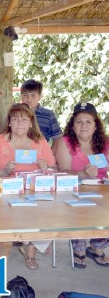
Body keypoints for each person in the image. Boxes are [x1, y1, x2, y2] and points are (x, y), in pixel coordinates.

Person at [0, 103, 56, 270]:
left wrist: (45, 166)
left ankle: (30, 243)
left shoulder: (40, 142)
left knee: (51, 211)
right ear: (9, 122)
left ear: (31, 123)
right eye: (15, 119)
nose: (19, 122)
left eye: (24, 119)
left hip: (34, 191)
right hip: (5, 192)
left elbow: (54, 168)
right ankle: (22, 244)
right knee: (13, 215)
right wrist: (3, 171)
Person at [55, 102, 109, 268]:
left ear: (95, 126)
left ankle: (97, 245)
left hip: (102, 188)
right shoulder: (65, 142)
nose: (83, 125)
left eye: (88, 122)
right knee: (81, 206)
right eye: (79, 121)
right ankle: (79, 245)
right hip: (74, 187)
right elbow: (63, 171)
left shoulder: (105, 142)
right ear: (73, 125)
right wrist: (82, 174)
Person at [20, 79, 63, 153]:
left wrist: (50, 155)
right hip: (17, 156)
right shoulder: (14, 114)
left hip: (40, 157)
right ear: (21, 95)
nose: (29, 99)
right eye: (25, 95)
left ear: (40, 96)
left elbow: (58, 138)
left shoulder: (48, 115)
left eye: (33, 95)